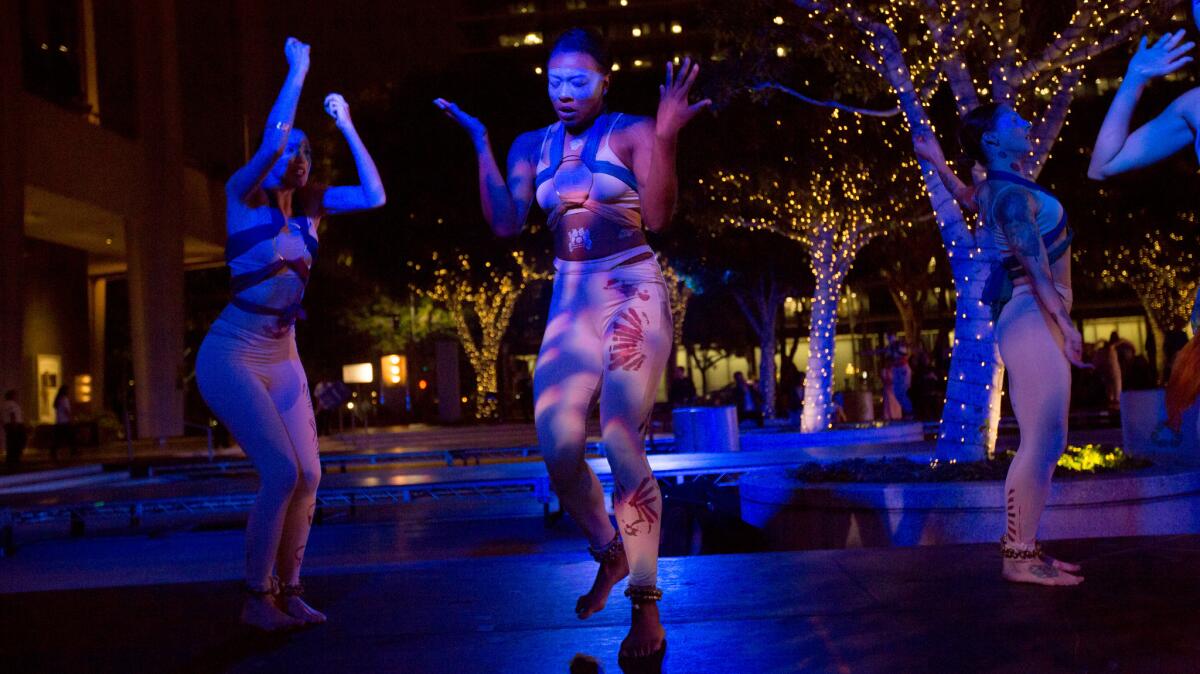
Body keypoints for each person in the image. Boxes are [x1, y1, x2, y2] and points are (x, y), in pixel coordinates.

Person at [436, 27, 708, 666]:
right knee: (557, 444)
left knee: (619, 434)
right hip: (571, 296)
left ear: (604, 81)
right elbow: (506, 222)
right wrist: (479, 143)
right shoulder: (533, 145)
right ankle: (610, 550)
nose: (564, 92)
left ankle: (646, 600)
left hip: (632, 291)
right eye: (555, 81)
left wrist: (667, 136)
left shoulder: (635, 130)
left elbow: (662, 216)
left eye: (578, 80)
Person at [195, 37, 385, 632]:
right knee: (280, 472)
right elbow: (275, 138)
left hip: (283, 355)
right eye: (288, 148)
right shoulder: (240, 198)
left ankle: (291, 590)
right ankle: (257, 598)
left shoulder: (311, 211)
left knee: (310, 475)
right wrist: (298, 72)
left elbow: (376, 195)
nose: (296, 156)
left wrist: (347, 126)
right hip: (231, 354)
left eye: (305, 151)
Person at [921, 103, 1089, 586]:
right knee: (1042, 440)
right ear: (993, 142)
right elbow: (1035, 268)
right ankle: (1018, 557)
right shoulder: (1011, 197)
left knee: (1048, 440)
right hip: (1033, 315)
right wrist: (1066, 324)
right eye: (1013, 121)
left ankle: (1027, 548)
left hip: (1031, 317)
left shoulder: (997, 188)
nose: (1025, 123)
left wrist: (936, 160)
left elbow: (965, 195)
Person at [51, 384, 75, 460]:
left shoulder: (59, 399)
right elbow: (66, 410)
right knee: (70, 437)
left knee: (58, 438)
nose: (69, 391)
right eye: (68, 390)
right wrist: (71, 418)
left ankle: (54, 452)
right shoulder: (64, 399)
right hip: (65, 422)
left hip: (59, 421)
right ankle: (73, 451)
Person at [3, 390, 26, 468]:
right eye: (15, 395)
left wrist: (3, 424)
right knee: (17, 441)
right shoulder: (12, 404)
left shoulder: (3, 405)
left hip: (7, 424)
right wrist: (14, 424)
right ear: (12, 396)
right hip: (15, 424)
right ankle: (15, 458)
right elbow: (12, 414)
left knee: (10, 441)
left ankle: (10, 458)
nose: (17, 397)